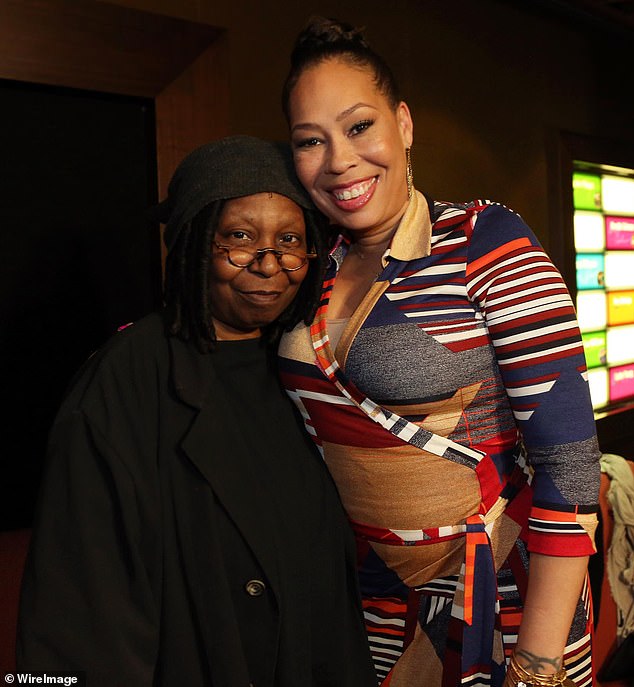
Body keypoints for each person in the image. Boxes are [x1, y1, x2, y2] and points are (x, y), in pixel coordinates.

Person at [277, 17, 601, 687]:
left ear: (404, 123)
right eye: (312, 140)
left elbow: (568, 462)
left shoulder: (485, 241)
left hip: (506, 595)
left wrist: (537, 666)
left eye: (359, 126)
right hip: (370, 603)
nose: (339, 160)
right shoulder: (311, 265)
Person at [17, 135, 377, 687]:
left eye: (289, 240)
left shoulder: (308, 364)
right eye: (238, 238)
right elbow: (79, 606)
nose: (269, 264)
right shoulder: (124, 380)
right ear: (192, 244)